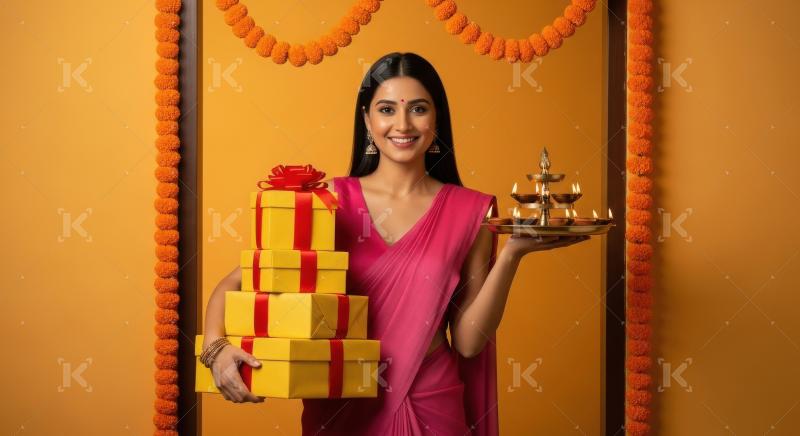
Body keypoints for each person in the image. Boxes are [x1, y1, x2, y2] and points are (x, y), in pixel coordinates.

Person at [201, 52, 587, 435]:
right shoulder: (329, 201)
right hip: (342, 402)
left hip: (429, 402)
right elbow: (237, 282)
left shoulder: (472, 211)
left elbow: (469, 343)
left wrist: (512, 256)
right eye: (387, 109)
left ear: (437, 119)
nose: (402, 123)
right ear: (367, 120)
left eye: (418, 109)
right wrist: (216, 351)